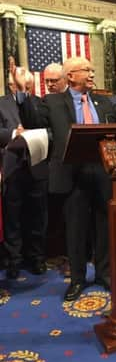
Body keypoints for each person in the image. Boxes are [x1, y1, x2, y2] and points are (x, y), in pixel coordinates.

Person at [13, 56, 116, 301]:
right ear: (71, 76)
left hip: (103, 173)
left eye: (93, 70)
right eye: (87, 71)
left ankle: (103, 274)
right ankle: (78, 279)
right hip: (72, 176)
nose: (92, 74)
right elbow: (31, 120)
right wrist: (21, 91)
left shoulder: (103, 102)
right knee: (76, 230)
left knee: (104, 227)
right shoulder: (53, 102)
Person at [0, 71, 48, 279]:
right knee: (13, 217)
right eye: (20, 85)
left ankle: (36, 258)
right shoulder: (1, 104)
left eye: (29, 85)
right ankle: (14, 260)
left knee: (38, 216)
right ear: (11, 85)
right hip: (11, 168)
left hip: (37, 166)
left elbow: (48, 129)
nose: (24, 89)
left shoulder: (41, 103)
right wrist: (13, 134)